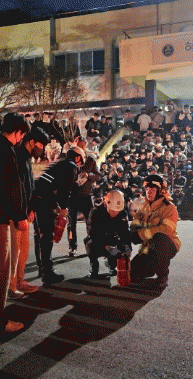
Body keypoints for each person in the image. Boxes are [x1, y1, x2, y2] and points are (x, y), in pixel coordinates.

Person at [0, 112, 30, 335]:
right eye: (22, 135)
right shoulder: (5, 150)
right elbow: (10, 186)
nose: (21, 139)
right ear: (18, 132)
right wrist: (19, 215)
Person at [31, 145, 86, 285]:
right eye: (81, 161)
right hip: (44, 199)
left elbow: (52, 184)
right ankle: (47, 273)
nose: (80, 165)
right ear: (77, 157)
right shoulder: (71, 166)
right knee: (47, 236)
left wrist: (55, 204)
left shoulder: (59, 162)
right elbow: (65, 190)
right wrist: (64, 208)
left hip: (36, 196)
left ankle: (42, 268)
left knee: (39, 235)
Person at [10, 127, 50, 299]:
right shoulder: (17, 156)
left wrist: (31, 208)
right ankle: (11, 286)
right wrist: (20, 213)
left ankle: (19, 281)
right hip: (16, 213)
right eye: (40, 144)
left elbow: (29, 186)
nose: (42, 149)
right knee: (14, 251)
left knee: (23, 249)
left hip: (25, 211)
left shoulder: (27, 158)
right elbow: (16, 188)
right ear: (31, 141)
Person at [129, 174, 181, 289]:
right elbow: (135, 224)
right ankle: (151, 267)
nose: (149, 192)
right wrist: (132, 233)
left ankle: (163, 276)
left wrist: (141, 234)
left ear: (160, 191)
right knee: (131, 273)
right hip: (148, 247)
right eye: (147, 189)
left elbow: (166, 229)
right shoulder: (143, 207)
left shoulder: (169, 207)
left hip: (167, 245)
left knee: (159, 238)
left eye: (152, 189)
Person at [86, 190, 131, 278]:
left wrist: (127, 246)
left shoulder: (122, 213)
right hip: (99, 240)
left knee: (122, 248)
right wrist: (107, 247)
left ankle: (112, 264)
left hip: (113, 238)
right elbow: (93, 233)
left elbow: (125, 232)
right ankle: (94, 266)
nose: (115, 213)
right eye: (113, 211)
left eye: (117, 211)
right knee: (89, 243)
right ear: (106, 204)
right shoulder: (95, 212)